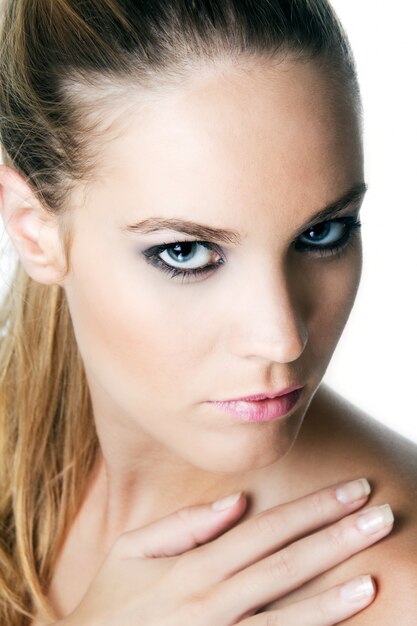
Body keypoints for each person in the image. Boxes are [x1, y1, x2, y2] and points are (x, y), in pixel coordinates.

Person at [0, 1, 416, 624]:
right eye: (186, 252)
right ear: (35, 233)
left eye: (324, 232)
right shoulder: (16, 435)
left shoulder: (390, 593)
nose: (282, 340)